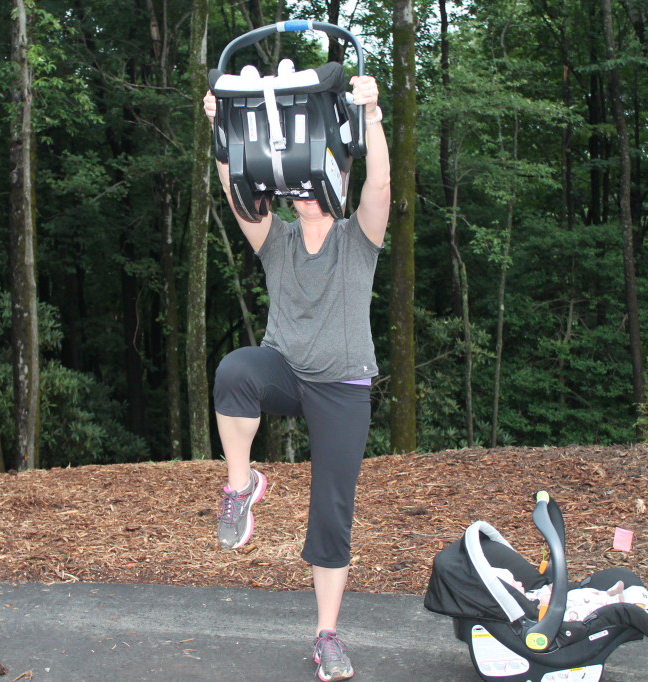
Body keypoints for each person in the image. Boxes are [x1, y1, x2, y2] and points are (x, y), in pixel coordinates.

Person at [203, 71, 391, 682]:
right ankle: (240, 488)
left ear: (334, 180)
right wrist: (221, 131)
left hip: (343, 386)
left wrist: (373, 117)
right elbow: (237, 199)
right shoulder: (277, 242)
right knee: (235, 370)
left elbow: (380, 187)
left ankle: (326, 636)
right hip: (285, 370)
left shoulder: (356, 241)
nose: (308, 190)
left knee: (331, 511)